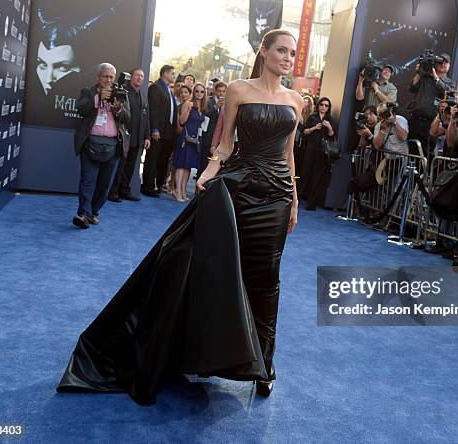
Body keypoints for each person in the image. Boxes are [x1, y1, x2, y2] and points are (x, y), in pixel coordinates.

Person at [57, 29, 302, 403]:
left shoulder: (296, 100)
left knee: (267, 279)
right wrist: (207, 172)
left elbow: (288, 155)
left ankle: (264, 363)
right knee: (213, 268)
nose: (288, 58)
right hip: (239, 189)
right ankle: (202, 348)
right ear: (264, 52)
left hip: (277, 196)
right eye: (281, 50)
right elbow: (224, 145)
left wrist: (295, 201)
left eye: (293, 53)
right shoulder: (238, 90)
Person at [71, 63, 131, 229]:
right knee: (87, 181)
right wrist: (97, 97)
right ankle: (83, 214)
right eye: (105, 76)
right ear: (98, 77)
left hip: (113, 146)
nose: (108, 80)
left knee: (104, 185)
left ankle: (93, 212)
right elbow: (81, 109)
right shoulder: (88, 92)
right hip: (90, 142)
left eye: (111, 77)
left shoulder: (121, 93)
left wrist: (118, 109)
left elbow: (128, 117)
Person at [108, 68, 151, 202]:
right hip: (125, 135)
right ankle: (113, 192)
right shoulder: (124, 93)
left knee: (131, 167)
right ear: (131, 77)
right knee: (121, 165)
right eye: (137, 75)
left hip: (138, 137)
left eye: (142, 76)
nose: (139, 78)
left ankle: (124, 191)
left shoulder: (143, 96)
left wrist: (147, 136)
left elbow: (147, 118)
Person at [407, 53, 455, 158]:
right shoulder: (425, 77)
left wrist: (436, 77)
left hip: (431, 123)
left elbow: (447, 93)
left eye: (445, 62)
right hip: (415, 120)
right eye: (440, 61)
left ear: (449, 65)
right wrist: (419, 73)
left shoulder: (450, 82)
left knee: (427, 153)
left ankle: (423, 174)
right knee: (411, 150)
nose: (442, 64)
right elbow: (412, 88)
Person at [143, 65, 177, 197]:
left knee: (162, 160)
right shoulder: (156, 87)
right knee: (152, 159)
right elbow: (154, 110)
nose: (174, 76)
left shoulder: (167, 89)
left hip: (168, 133)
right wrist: (154, 129)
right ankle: (148, 186)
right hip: (158, 132)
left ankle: (158, 185)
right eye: (172, 73)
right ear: (165, 74)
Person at [172, 83, 207, 202]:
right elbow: (181, 121)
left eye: (202, 92)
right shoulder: (188, 103)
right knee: (181, 164)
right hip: (186, 137)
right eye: (197, 91)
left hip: (196, 139)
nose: (199, 94)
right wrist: (187, 110)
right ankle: (177, 191)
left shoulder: (202, 106)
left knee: (188, 167)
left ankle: (182, 191)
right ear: (193, 92)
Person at [300, 97, 335, 211]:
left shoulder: (330, 119)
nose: (324, 107)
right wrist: (314, 128)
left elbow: (332, 136)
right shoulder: (312, 117)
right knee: (305, 174)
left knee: (317, 177)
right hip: (310, 148)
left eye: (326, 105)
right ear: (318, 105)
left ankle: (311, 204)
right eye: (322, 104)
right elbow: (304, 132)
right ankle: (297, 199)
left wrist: (329, 127)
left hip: (322, 152)